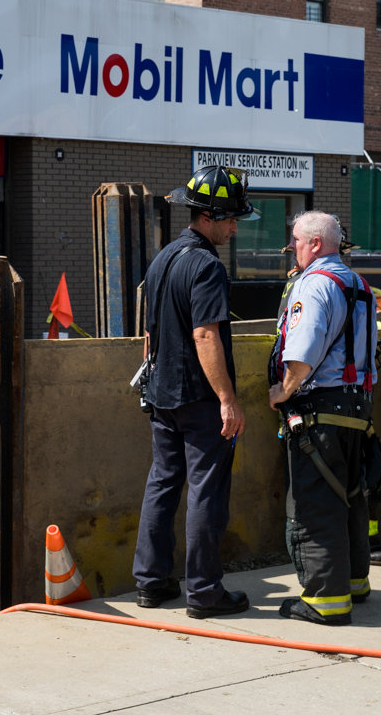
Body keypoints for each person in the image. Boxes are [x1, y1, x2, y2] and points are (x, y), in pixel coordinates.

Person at [132, 165, 256, 619]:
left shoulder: (163, 258)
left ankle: (150, 582)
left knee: (162, 484)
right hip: (199, 400)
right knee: (206, 491)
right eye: (230, 218)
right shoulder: (205, 265)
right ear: (208, 216)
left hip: (163, 394)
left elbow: (149, 334)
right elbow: (206, 336)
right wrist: (227, 399)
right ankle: (204, 592)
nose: (234, 227)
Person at [269, 212, 379, 625]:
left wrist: (282, 391)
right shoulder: (358, 283)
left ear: (315, 243)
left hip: (320, 413)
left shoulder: (313, 284)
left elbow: (302, 352)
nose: (292, 247)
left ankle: (325, 600)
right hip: (357, 409)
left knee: (316, 503)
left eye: (295, 240)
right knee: (351, 497)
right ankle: (354, 583)